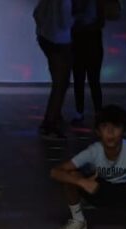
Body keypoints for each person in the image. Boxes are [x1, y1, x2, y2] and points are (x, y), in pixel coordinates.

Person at [33, 0, 74, 139]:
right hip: (60, 42)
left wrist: (43, 29)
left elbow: (37, 14)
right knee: (61, 84)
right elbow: (65, 22)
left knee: (58, 83)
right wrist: (77, 20)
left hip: (47, 39)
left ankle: (53, 117)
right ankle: (50, 123)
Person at [70, 0, 105, 125]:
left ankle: (95, 112)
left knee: (93, 80)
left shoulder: (95, 3)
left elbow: (101, 21)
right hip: (83, 42)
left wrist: (82, 27)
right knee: (80, 80)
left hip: (91, 42)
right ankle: (81, 112)